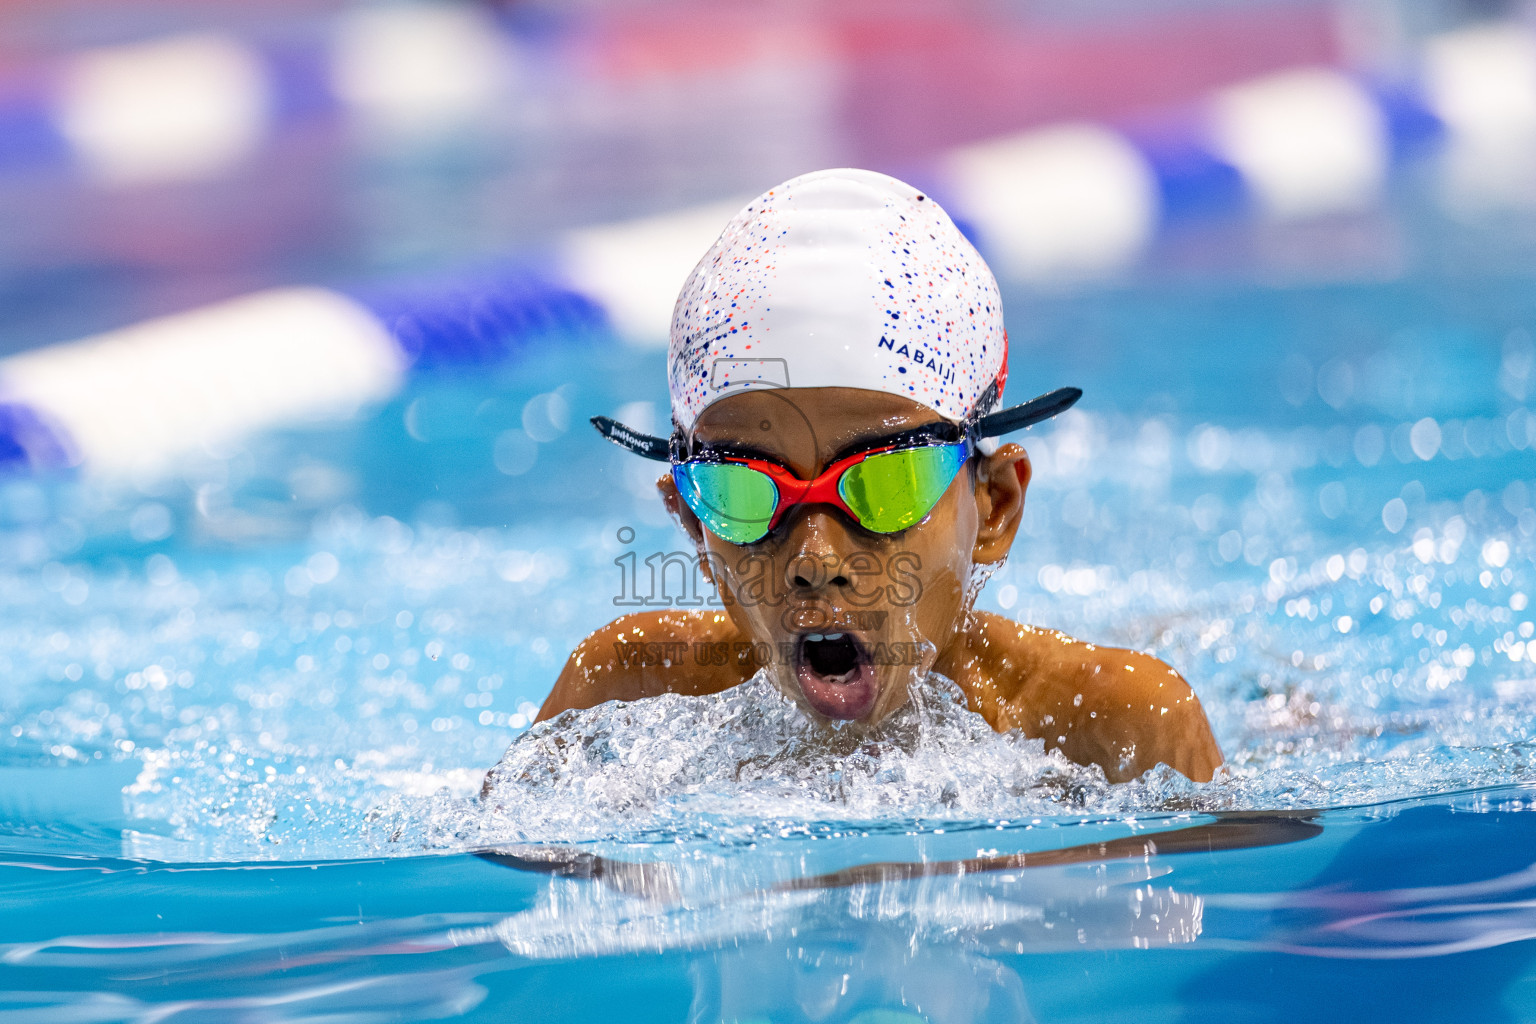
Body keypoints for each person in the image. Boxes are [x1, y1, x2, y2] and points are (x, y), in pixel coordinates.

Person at [513, 168, 1220, 784]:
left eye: (886, 483)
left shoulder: (1119, 729)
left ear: (995, 504)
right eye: (742, 492)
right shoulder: (624, 695)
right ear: (695, 527)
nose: (815, 561)